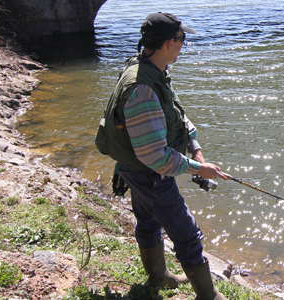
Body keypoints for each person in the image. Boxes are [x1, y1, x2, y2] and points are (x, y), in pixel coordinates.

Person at [95, 12, 227, 300]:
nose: (184, 45)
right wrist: (198, 170)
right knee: (187, 235)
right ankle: (209, 296)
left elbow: (177, 116)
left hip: (135, 169)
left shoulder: (150, 69)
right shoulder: (142, 88)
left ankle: (158, 275)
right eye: (182, 40)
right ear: (169, 42)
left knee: (148, 221)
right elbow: (155, 157)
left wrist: (197, 152)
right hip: (148, 174)